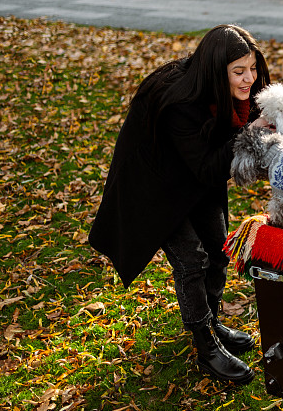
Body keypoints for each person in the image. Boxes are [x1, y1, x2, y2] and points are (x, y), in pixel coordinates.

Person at [89, 25, 270, 384]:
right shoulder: (180, 103)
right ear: (216, 71)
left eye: (251, 67)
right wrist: (253, 132)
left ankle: (214, 322)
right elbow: (207, 165)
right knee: (192, 260)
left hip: (194, 176)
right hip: (155, 187)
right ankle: (205, 344)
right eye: (239, 72)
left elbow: (218, 155)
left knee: (219, 250)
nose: (249, 78)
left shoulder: (236, 89)